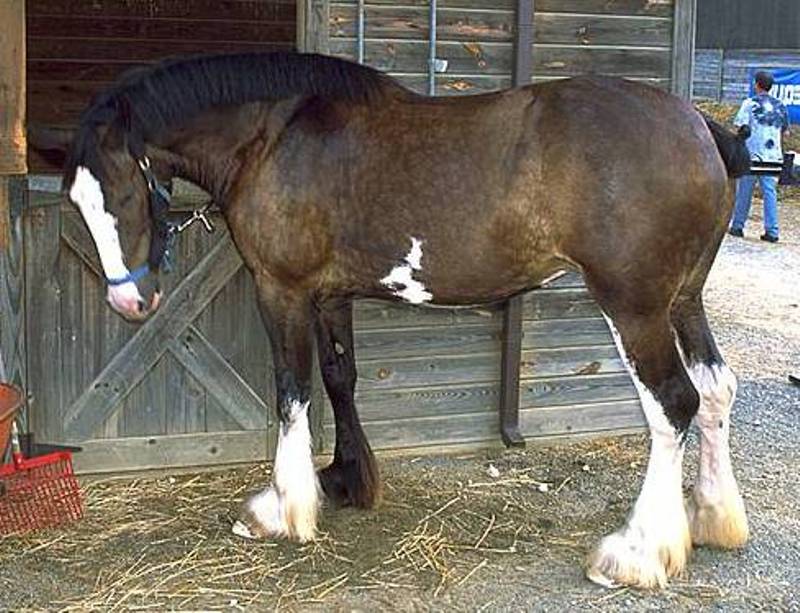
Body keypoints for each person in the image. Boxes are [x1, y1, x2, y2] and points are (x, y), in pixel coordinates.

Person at [728, 71, 790, 243]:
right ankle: (772, 231)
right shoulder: (781, 106)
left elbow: (741, 128)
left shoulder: (749, 103)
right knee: (770, 193)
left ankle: (738, 226)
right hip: (774, 157)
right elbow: (785, 132)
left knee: (744, 192)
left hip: (753, 156)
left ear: (757, 84)